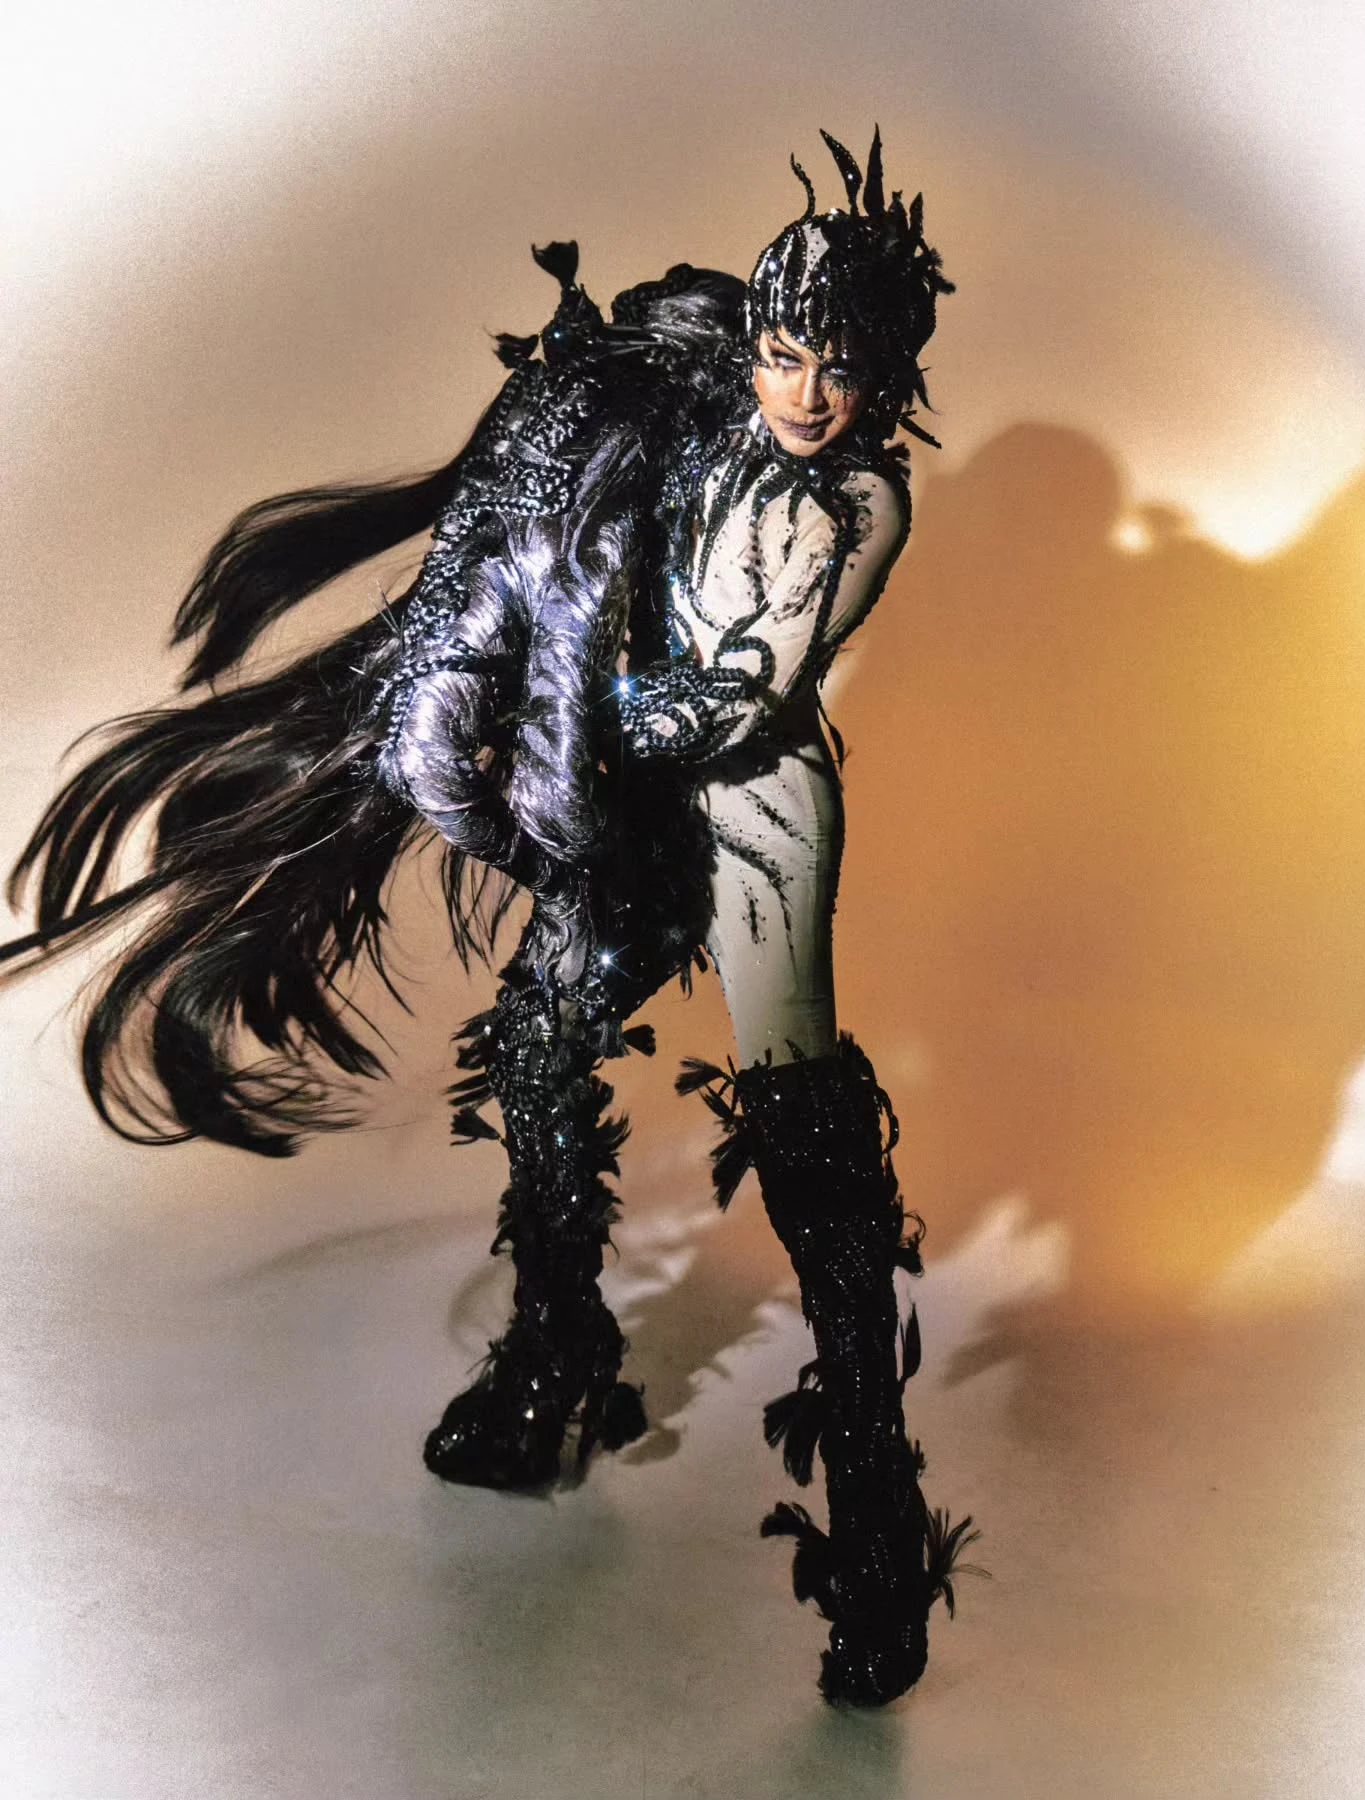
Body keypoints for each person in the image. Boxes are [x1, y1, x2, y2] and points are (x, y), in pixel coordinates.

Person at [2, 128, 974, 1705]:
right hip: (622, 789)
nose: (805, 393)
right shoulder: (709, 396)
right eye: (786, 353)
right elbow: (599, 399)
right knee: (538, 1044)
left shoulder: (855, 502)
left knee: (802, 1123)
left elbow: (741, 695)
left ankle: (871, 1513)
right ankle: (559, 1357)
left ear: (887, 380)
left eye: (840, 369)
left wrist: (567, 721)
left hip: (753, 810)